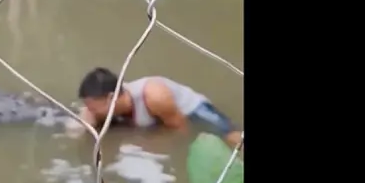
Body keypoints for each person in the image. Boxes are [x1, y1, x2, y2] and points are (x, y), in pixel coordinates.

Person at [75, 67, 242, 147]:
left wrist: (157, 143)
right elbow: (77, 133)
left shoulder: (154, 95)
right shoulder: (104, 105)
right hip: (152, 119)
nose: (89, 110)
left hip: (190, 111)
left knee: (232, 136)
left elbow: (181, 130)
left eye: (92, 107)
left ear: (111, 98)